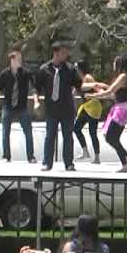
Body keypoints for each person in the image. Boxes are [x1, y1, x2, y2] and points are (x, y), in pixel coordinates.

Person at [36, 41, 104, 172]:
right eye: (63, 53)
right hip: (51, 109)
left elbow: (80, 86)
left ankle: (69, 164)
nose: (66, 55)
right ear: (55, 54)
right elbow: (36, 89)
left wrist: (93, 86)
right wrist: (36, 101)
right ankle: (47, 163)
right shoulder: (44, 70)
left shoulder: (70, 69)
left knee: (68, 137)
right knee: (50, 136)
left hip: (67, 109)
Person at [86, 56, 127, 173]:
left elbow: (109, 91)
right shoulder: (121, 77)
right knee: (111, 137)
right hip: (120, 107)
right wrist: (98, 91)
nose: (113, 64)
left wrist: (93, 96)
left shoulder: (123, 76)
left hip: (122, 109)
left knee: (110, 137)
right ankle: (126, 163)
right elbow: (112, 95)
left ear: (119, 64)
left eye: (114, 62)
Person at [0, 48, 39, 163]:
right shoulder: (4, 74)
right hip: (8, 106)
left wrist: (36, 101)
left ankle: (30, 156)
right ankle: (6, 156)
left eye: (21, 59)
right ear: (12, 60)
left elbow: (33, 89)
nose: (20, 61)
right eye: (18, 59)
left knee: (28, 131)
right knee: (5, 131)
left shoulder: (25, 73)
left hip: (22, 106)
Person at [74, 61, 107, 164]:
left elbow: (97, 87)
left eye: (76, 68)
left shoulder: (88, 77)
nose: (74, 70)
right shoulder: (79, 79)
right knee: (76, 128)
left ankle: (97, 157)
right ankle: (85, 151)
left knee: (92, 132)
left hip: (93, 106)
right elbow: (75, 90)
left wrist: (104, 93)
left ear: (80, 68)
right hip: (86, 107)